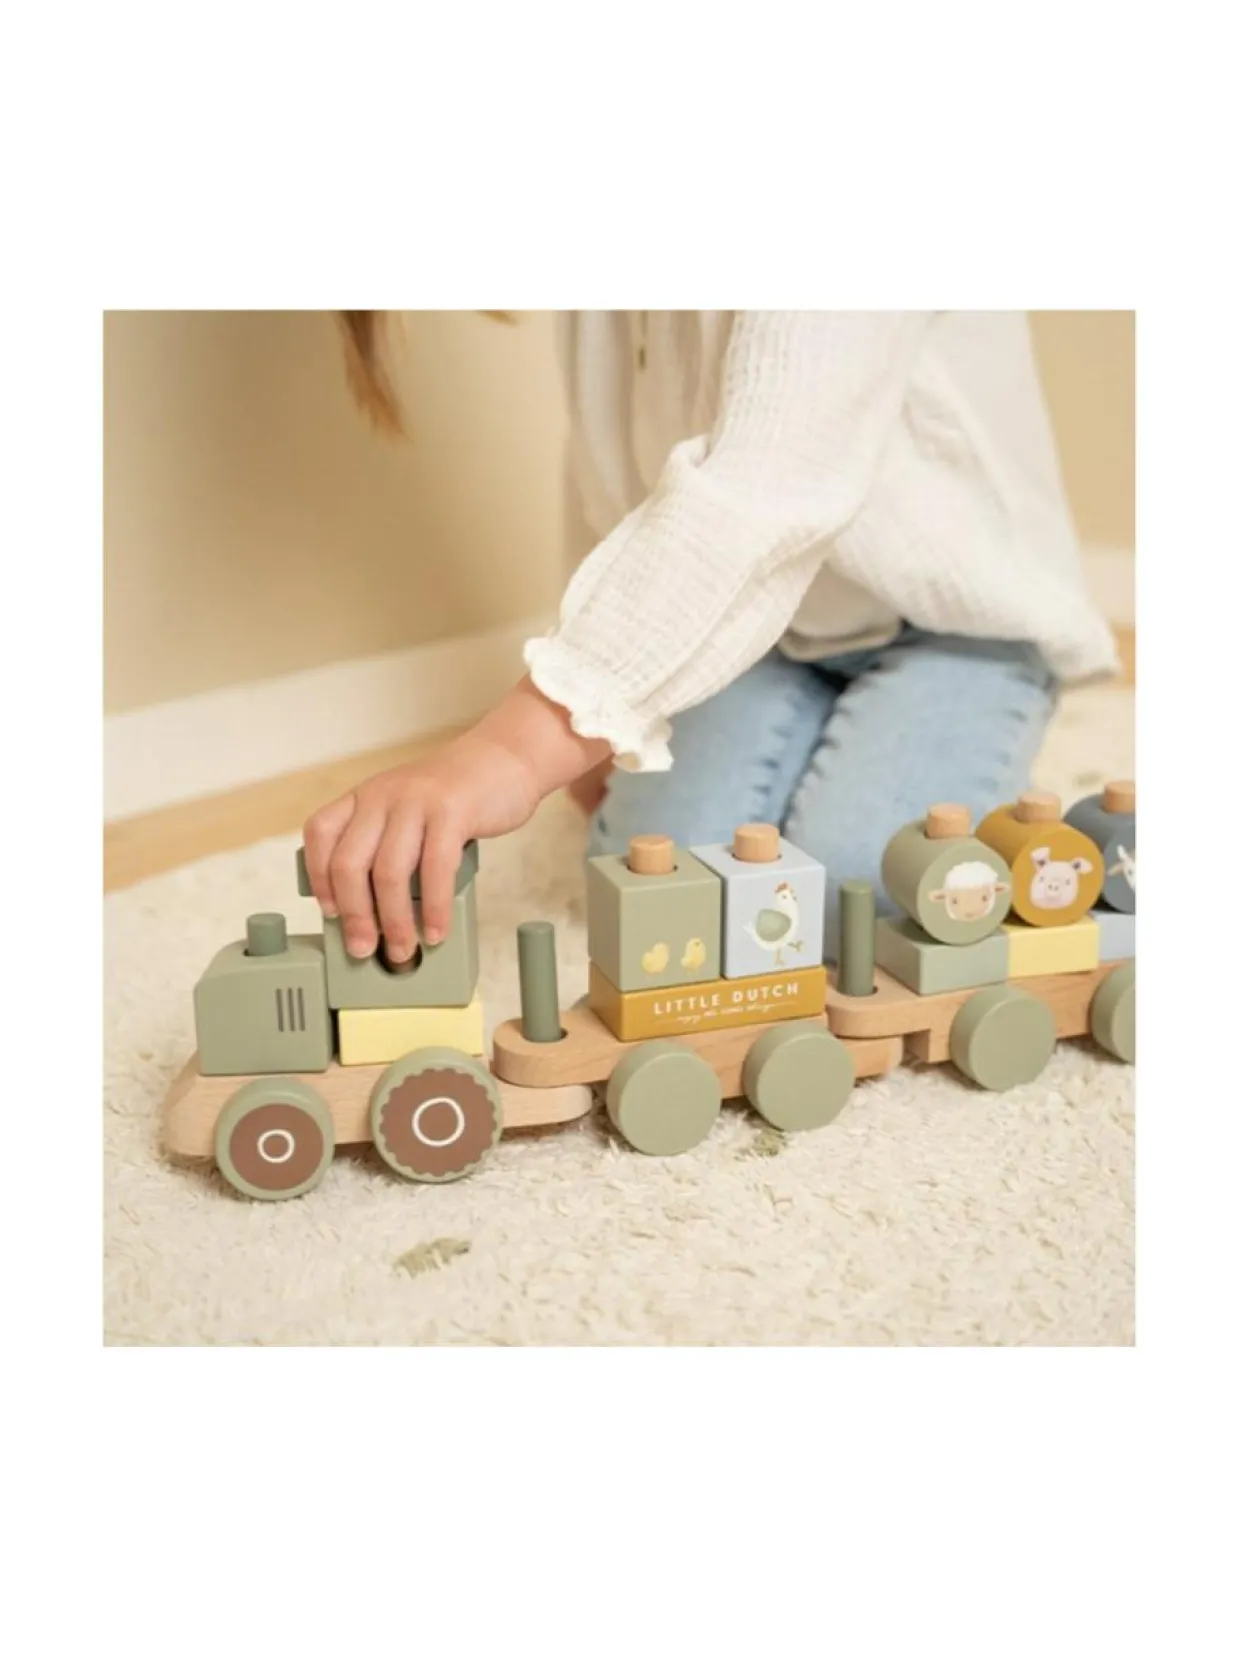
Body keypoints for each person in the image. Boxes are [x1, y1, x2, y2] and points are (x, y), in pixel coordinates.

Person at [304, 311, 1117, 964]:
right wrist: (605, 708)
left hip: (954, 630)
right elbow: (612, 473)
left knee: (863, 903)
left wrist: (520, 746)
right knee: (653, 885)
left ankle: (962, 739)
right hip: (763, 638)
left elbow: (770, 482)